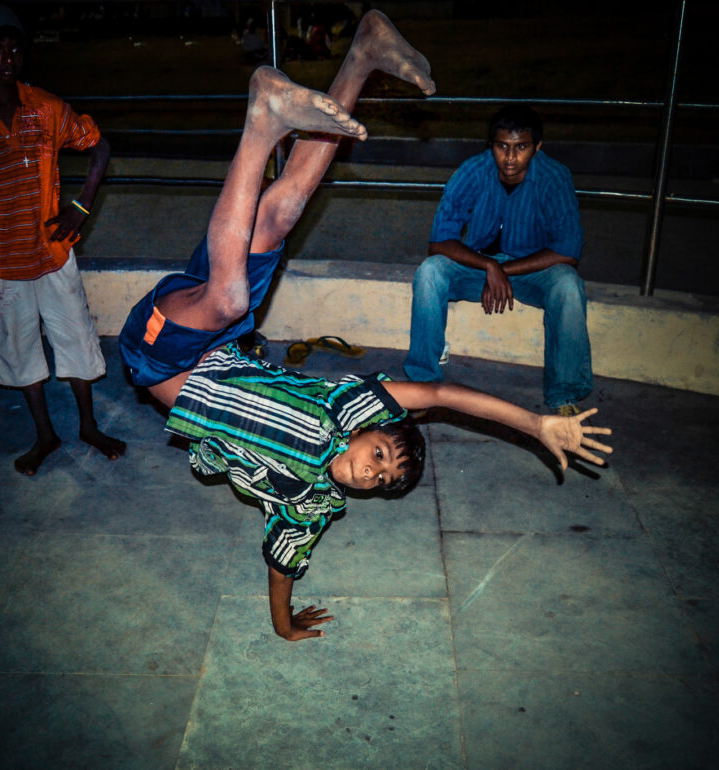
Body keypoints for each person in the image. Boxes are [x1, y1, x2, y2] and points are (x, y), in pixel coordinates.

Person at [119, 12, 612, 642]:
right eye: (380, 455)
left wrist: (283, 624)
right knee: (278, 219)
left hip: (157, 358)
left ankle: (267, 120)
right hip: (209, 342)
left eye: (379, 480)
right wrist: (534, 423)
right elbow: (438, 397)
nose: (371, 472)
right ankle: (360, 57)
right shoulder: (349, 408)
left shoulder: (309, 503)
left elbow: (281, 563)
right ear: (371, 430)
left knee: (233, 292)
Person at [0, 3, 125, 475]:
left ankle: (87, 426)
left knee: (77, 344)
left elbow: (99, 145)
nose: (8, 60)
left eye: (15, 50)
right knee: (19, 351)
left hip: (53, 254)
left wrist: (83, 204)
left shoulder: (45, 107)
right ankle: (45, 435)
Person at [403, 105, 593, 416]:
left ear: (537, 148)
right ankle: (424, 383)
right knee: (429, 273)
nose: (510, 157)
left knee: (569, 285)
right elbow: (439, 241)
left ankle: (564, 393)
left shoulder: (554, 177)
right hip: (479, 268)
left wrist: (502, 270)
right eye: (502, 146)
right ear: (491, 145)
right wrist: (490, 266)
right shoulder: (473, 171)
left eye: (521, 147)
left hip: (532, 270)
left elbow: (567, 251)